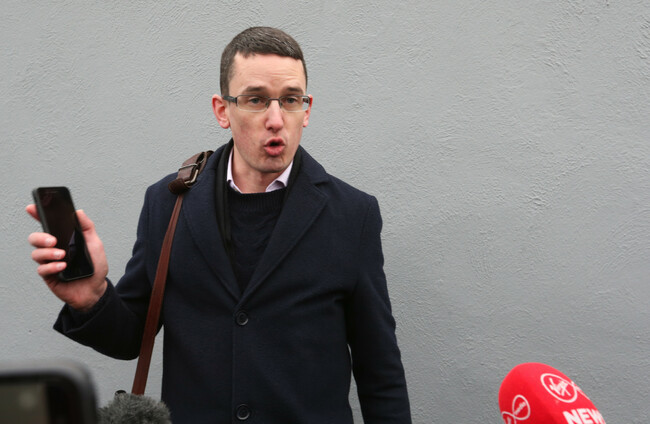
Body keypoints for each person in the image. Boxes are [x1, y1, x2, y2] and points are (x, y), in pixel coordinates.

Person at [27, 26, 412, 423]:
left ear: (307, 110)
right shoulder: (168, 202)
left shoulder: (353, 214)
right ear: (222, 110)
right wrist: (91, 297)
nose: (276, 119)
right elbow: (130, 339)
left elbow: (379, 371)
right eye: (256, 99)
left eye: (290, 100)